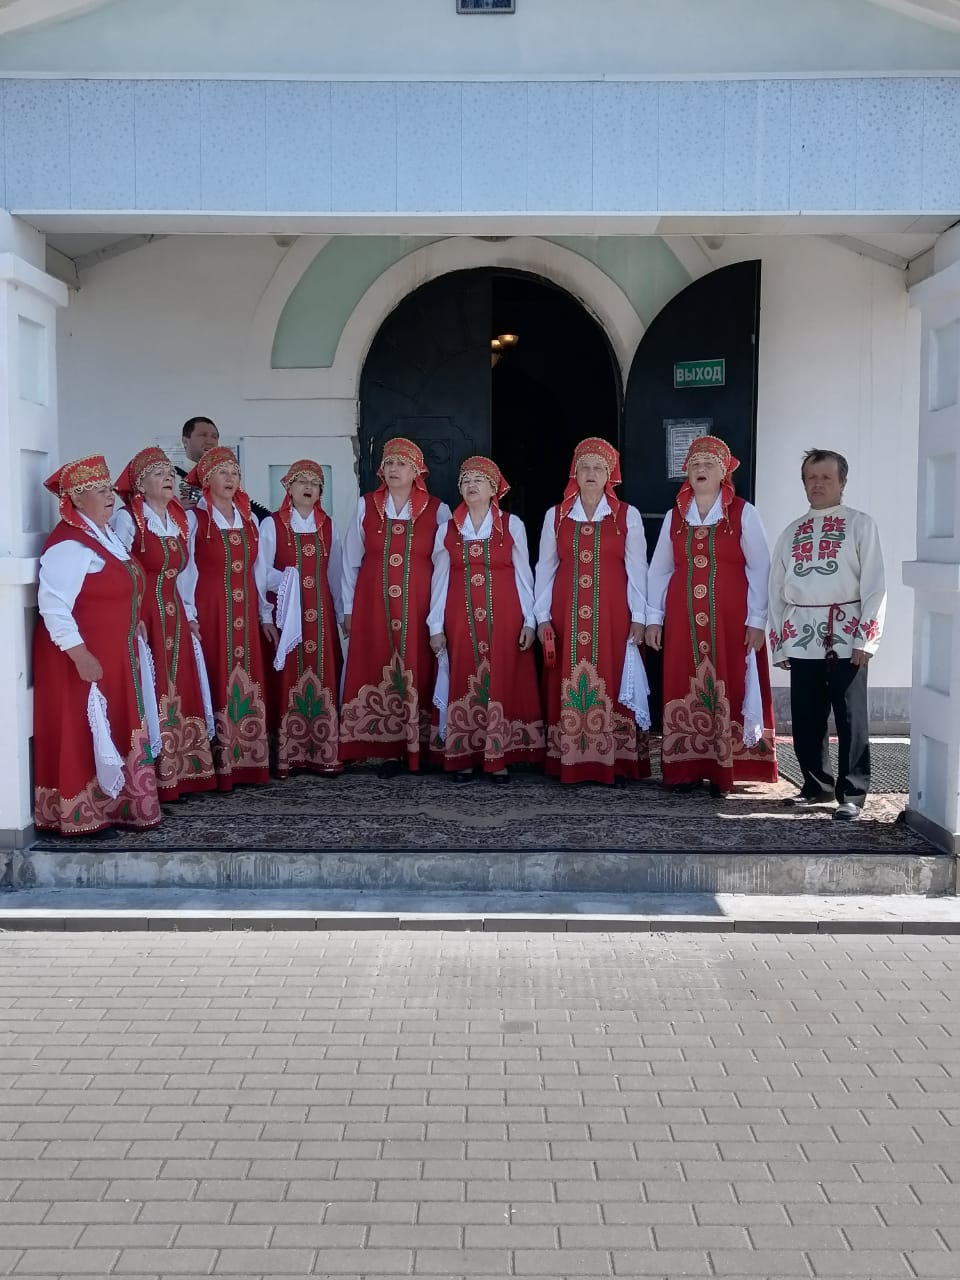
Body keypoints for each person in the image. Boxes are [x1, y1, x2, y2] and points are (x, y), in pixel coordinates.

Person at [33, 455, 161, 836]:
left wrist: (133, 617)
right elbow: (53, 605)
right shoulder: (69, 545)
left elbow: (121, 583)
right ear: (76, 500)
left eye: (109, 489)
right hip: (83, 660)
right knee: (84, 730)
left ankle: (119, 806)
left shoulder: (101, 536)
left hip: (115, 653)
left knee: (115, 725)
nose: (110, 496)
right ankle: (81, 815)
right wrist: (80, 654)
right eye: (99, 491)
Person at [645, 435, 777, 796]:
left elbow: (761, 568)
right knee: (682, 682)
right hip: (683, 620)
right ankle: (685, 768)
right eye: (694, 464)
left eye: (709, 464)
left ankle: (726, 768)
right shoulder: (675, 516)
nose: (700, 469)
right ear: (686, 473)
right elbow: (659, 569)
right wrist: (653, 617)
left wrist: (757, 620)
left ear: (724, 473)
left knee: (729, 681)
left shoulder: (743, 513)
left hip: (731, 621)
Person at [768, 448, 886, 822]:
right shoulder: (791, 532)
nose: (817, 484)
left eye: (825, 478)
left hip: (847, 632)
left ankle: (852, 793)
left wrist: (867, 639)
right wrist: (779, 642)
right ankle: (815, 785)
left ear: (842, 482)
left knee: (850, 717)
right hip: (802, 633)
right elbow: (774, 591)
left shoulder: (861, 525)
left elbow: (875, 586)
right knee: (806, 716)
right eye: (811, 478)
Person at [534, 437, 651, 785]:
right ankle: (569, 760)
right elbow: (545, 568)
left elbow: (638, 569)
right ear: (574, 472)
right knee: (568, 680)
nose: (590, 473)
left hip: (614, 617)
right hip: (565, 615)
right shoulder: (555, 516)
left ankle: (614, 762)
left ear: (609, 475)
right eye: (584, 467)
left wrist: (641, 618)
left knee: (613, 681)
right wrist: (541, 618)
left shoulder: (626, 515)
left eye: (598, 468)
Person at [339, 438, 452, 776]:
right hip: (373, 606)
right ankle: (387, 750)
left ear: (417, 470)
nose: (393, 469)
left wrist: (437, 619)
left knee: (418, 668)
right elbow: (350, 561)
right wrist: (347, 608)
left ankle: (420, 748)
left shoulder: (438, 509)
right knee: (376, 665)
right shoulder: (366, 505)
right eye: (388, 463)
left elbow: (443, 568)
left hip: (419, 606)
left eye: (401, 463)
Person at [428, 456, 544, 781]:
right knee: (464, 679)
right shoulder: (447, 530)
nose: (471, 485)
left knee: (503, 681)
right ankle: (463, 755)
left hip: (505, 621)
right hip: (459, 621)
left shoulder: (512, 525)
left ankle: (499, 757)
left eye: (479, 479)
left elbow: (525, 576)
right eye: (465, 480)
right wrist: (435, 626)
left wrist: (530, 622)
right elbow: (439, 581)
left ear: (494, 488)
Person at [111, 447, 216, 802]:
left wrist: (192, 615)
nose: (168, 478)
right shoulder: (129, 519)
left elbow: (188, 574)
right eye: (158, 473)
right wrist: (132, 615)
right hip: (147, 617)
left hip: (174, 614)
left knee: (180, 686)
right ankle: (153, 777)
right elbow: (119, 568)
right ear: (140, 484)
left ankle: (185, 773)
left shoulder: (178, 518)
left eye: (169, 473)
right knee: (153, 687)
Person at [178, 446, 271, 790]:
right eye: (223, 472)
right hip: (211, 610)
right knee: (215, 677)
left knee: (245, 678)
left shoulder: (249, 519)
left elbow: (258, 573)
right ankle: (218, 766)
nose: (231, 478)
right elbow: (184, 571)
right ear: (206, 479)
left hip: (244, 611)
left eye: (235, 472)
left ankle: (249, 762)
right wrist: (188, 614)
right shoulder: (193, 520)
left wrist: (266, 614)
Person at [256, 459, 344, 777]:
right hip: (286, 616)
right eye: (301, 482)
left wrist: (340, 613)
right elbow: (260, 571)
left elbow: (335, 573)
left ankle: (322, 752)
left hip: (320, 617)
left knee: (323, 677)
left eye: (314, 483)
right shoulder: (272, 525)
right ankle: (288, 754)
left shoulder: (328, 526)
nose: (308, 488)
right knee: (288, 677)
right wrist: (273, 603)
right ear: (289, 489)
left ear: (321, 491)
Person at [177, 416, 269, 521]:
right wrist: (173, 510)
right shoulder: (170, 477)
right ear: (185, 441)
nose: (210, 441)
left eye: (214, 437)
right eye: (203, 435)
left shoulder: (229, 477)